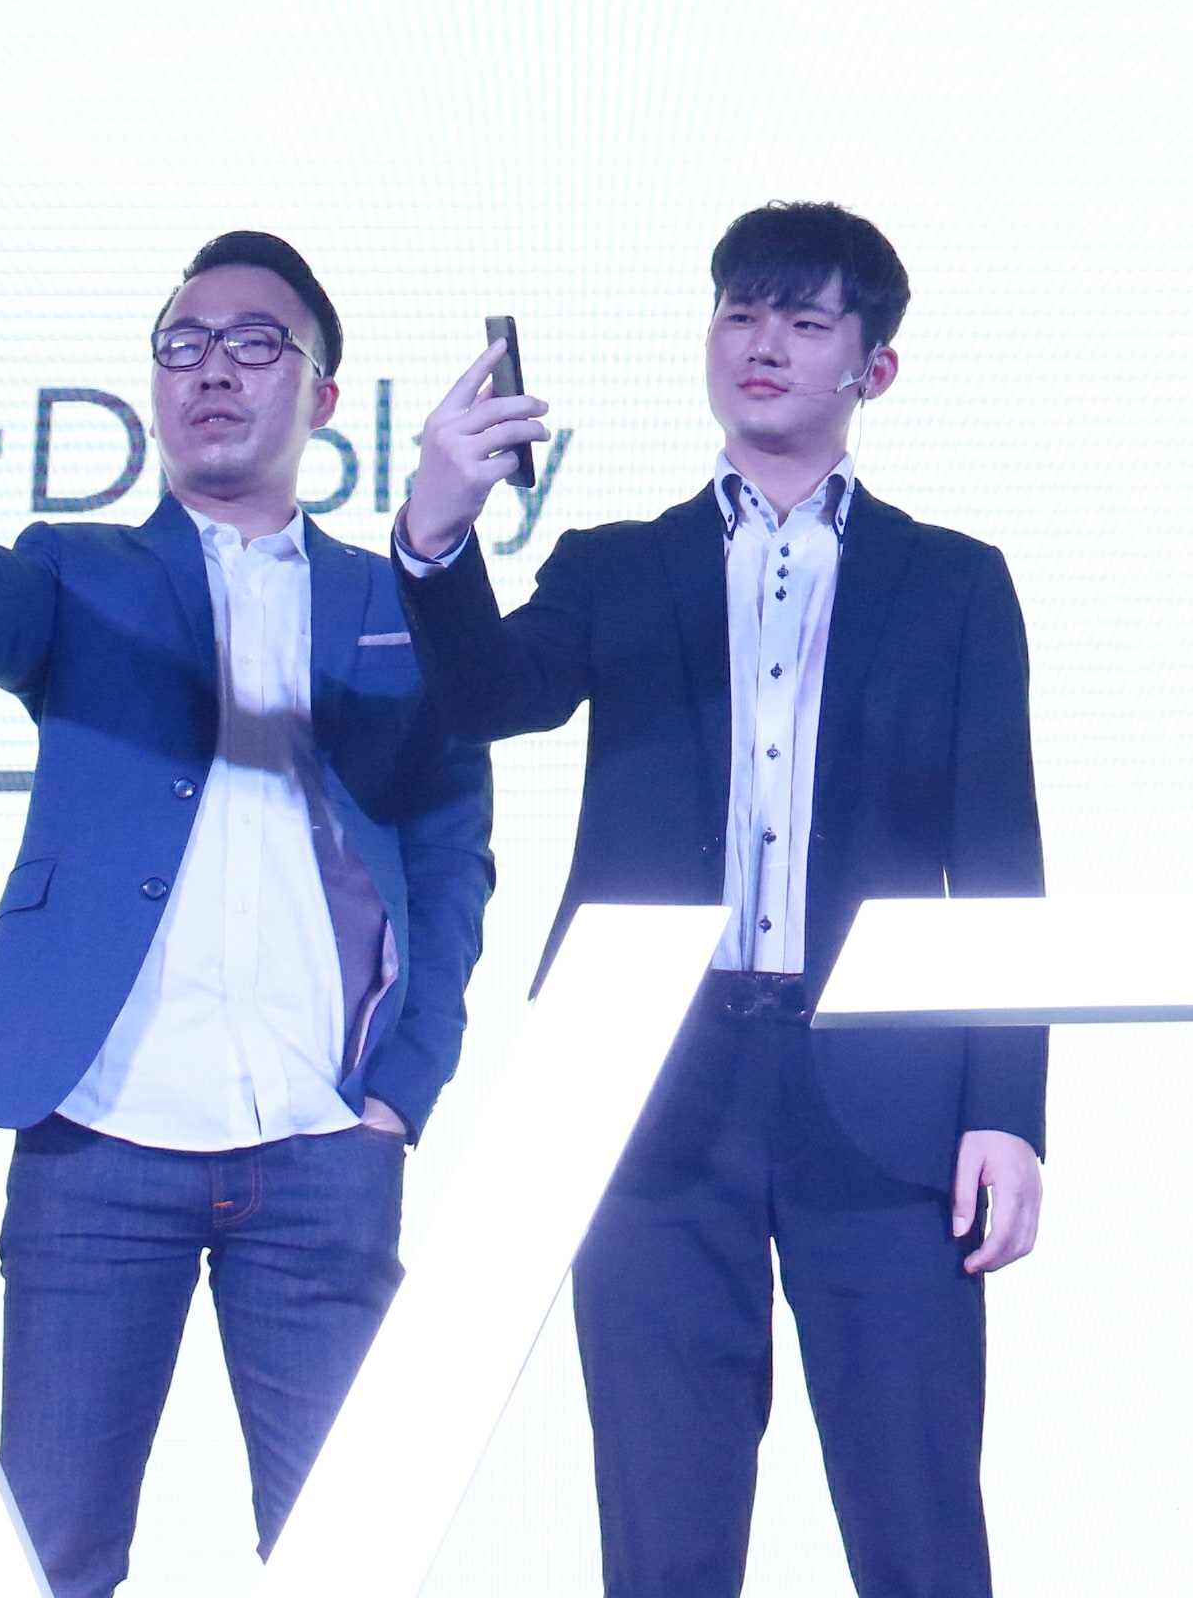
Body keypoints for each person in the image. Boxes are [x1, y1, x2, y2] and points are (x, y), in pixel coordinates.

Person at [0, 231, 492, 1598]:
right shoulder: (78, 570)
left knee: (348, 1562)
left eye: (253, 344)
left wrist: (401, 1090)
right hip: (98, 1135)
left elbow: (450, 854)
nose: (212, 371)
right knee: (50, 1556)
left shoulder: (396, 599)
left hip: (322, 1142)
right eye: (183, 346)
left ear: (323, 393)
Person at [392, 200, 1046, 1598]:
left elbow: (1001, 859)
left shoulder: (955, 584)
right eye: (740, 313)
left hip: (885, 1089)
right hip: (644, 1081)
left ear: (874, 367)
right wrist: (436, 532)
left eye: (804, 320)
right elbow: (488, 698)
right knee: (665, 1535)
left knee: (921, 1525)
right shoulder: (615, 565)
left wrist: (1009, 1106)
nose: (763, 343)